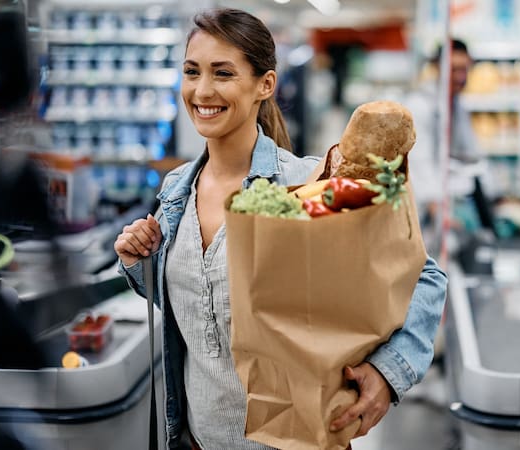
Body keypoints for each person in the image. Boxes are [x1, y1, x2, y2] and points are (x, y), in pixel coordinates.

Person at [113, 8, 448, 450]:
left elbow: (423, 276)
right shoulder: (176, 191)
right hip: (196, 441)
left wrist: (389, 373)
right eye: (192, 72)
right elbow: (196, 303)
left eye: (223, 73)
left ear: (265, 85)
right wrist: (141, 263)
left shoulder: (312, 185)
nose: (203, 90)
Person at [405, 38, 484, 226]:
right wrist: (435, 207)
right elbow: (419, 159)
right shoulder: (419, 105)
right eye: (454, 69)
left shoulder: (457, 104)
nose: (460, 76)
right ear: (437, 68)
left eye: (464, 69)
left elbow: (470, 153)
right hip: (426, 208)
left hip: (452, 201)